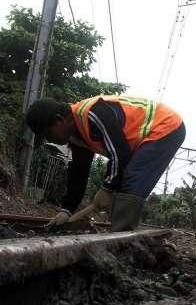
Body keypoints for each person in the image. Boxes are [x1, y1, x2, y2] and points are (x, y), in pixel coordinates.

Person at [25, 95, 185, 231]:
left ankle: (122, 243)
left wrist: (107, 189)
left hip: (165, 126)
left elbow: (120, 154)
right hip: (149, 136)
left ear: (59, 120)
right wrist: (67, 210)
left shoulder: (93, 114)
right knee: (124, 180)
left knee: (131, 179)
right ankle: (121, 235)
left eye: (48, 134)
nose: (50, 140)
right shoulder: (77, 135)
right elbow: (79, 172)